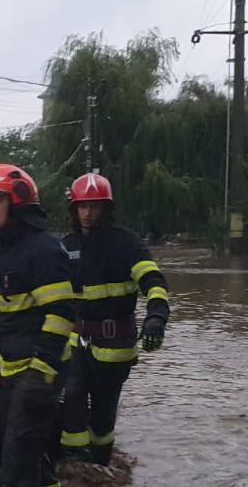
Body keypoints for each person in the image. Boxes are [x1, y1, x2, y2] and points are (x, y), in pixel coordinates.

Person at [0, 164, 75, 487]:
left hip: (37, 371)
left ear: (17, 201)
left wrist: (41, 372)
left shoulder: (42, 250)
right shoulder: (8, 251)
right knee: (25, 447)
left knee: (16, 452)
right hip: (17, 371)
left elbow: (62, 314)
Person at [58, 172, 169, 465]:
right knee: (72, 399)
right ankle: (75, 467)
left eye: (94, 206)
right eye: (82, 206)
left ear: (106, 209)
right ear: (73, 209)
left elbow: (153, 280)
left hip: (115, 343)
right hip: (75, 341)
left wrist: (156, 316)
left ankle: (101, 464)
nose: (87, 213)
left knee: (104, 414)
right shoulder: (66, 245)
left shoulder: (126, 243)